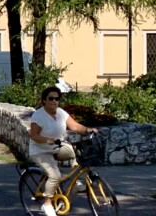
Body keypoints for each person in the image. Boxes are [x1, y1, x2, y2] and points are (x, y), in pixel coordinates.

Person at [28, 85, 98, 216]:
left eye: (57, 98)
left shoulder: (61, 113)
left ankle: (76, 182)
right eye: (51, 98)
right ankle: (47, 204)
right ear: (44, 100)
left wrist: (87, 129)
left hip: (57, 146)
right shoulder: (39, 115)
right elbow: (34, 135)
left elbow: (74, 126)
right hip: (40, 150)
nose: (54, 101)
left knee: (77, 154)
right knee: (55, 175)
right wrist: (47, 140)